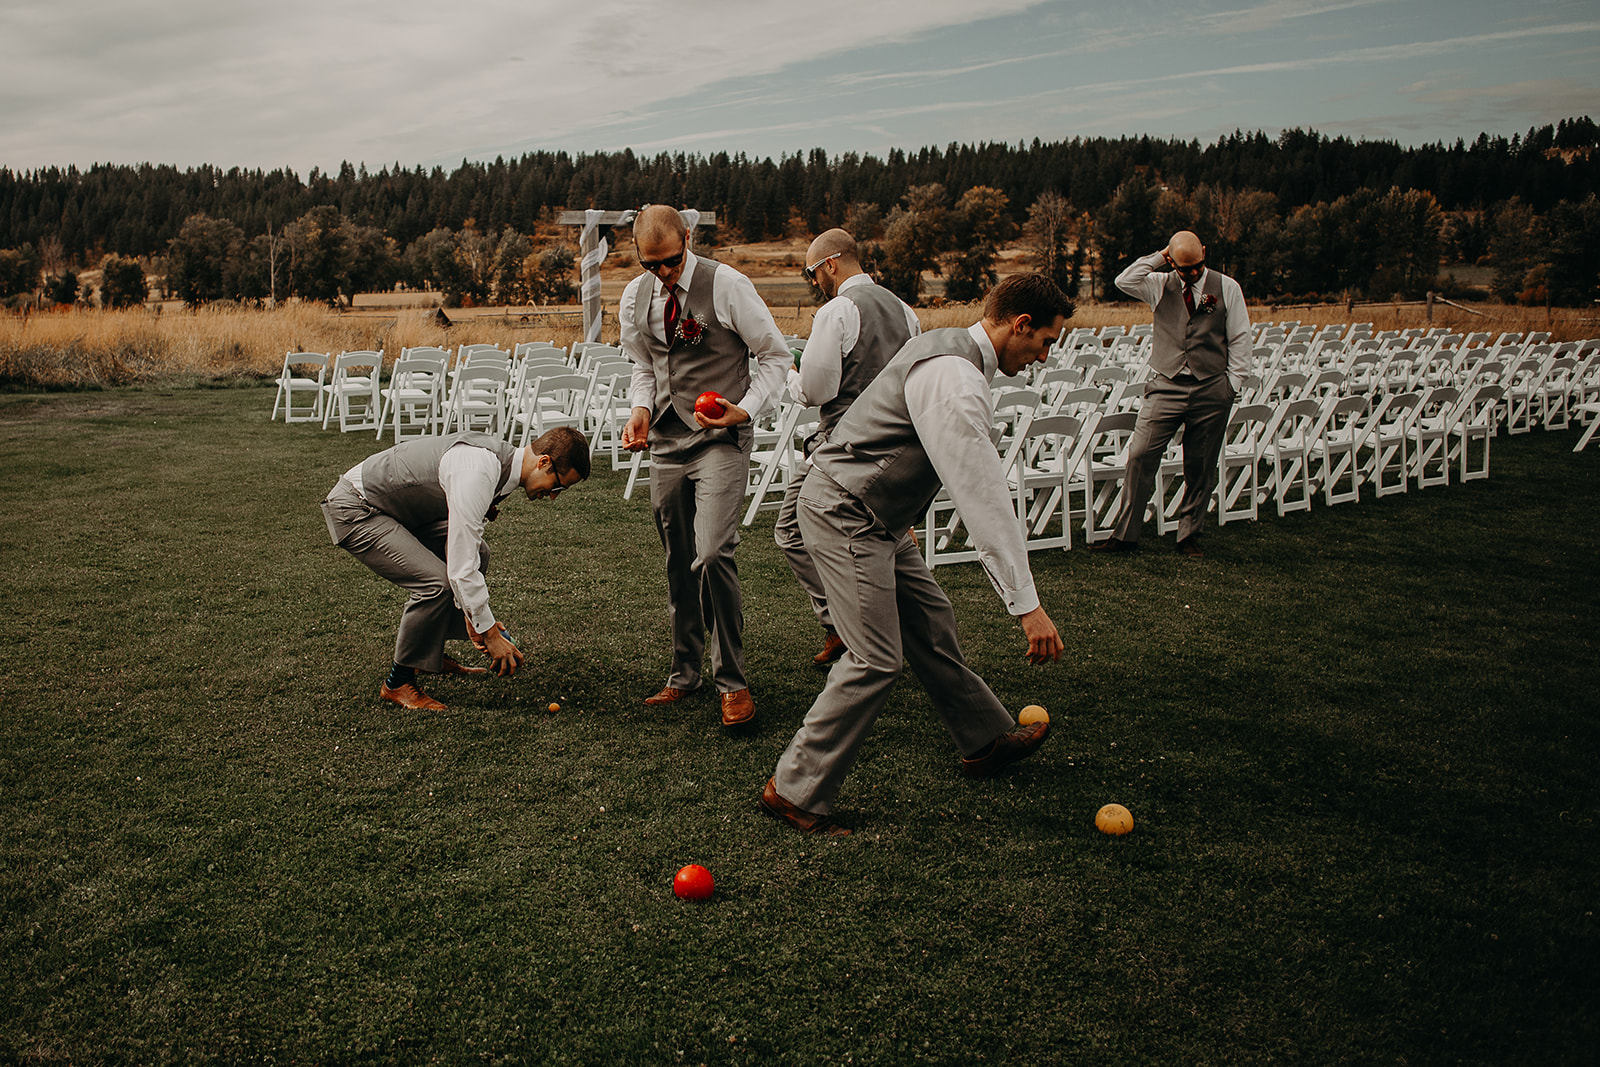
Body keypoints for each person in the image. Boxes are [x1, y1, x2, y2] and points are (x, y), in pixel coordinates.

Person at [761, 273, 1074, 836]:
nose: (1043, 356)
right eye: (1046, 341)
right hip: (845, 510)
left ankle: (983, 740)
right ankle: (793, 789)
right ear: (1020, 325)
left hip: (872, 511)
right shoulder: (954, 377)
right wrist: (1027, 605)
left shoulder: (954, 353)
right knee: (876, 657)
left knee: (930, 619)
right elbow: (981, 497)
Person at [618, 205, 793, 728]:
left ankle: (733, 682)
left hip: (720, 436)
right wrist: (641, 411)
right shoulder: (635, 296)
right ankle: (684, 672)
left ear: (687, 240)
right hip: (667, 441)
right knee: (678, 559)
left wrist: (747, 409)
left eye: (670, 262)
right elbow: (644, 366)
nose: (663, 274)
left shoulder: (728, 285)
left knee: (713, 553)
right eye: (651, 265)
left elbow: (776, 356)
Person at [320, 426, 590, 711]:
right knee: (437, 584)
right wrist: (489, 633)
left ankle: (429, 653)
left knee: (479, 554)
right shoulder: (479, 471)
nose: (554, 496)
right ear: (544, 462)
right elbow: (460, 569)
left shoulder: (502, 468)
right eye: (559, 486)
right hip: (358, 509)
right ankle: (397, 682)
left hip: (397, 512)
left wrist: (476, 622)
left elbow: (464, 549)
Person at [776, 227, 921, 668]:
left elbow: (817, 390)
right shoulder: (906, 311)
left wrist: (789, 376)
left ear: (831, 264)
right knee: (887, 540)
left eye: (812, 272)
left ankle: (842, 623)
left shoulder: (837, 311)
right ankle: (885, 629)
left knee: (790, 529)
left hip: (843, 449)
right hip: (896, 450)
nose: (814, 281)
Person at [1092, 230, 1252, 558]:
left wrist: (1231, 386)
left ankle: (1188, 536)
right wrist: (1160, 256)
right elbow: (1124, 280)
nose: (1192, 273)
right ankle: (1125, 535)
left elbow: (1240, 338)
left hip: (1211, 387)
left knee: (1201, 464)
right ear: (1173, 261)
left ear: (1205, 254)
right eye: (1184, 268)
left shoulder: (1227, 287)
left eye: (1198, 266)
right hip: (1165, 382)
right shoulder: (1160, 284)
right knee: (1139, 455)